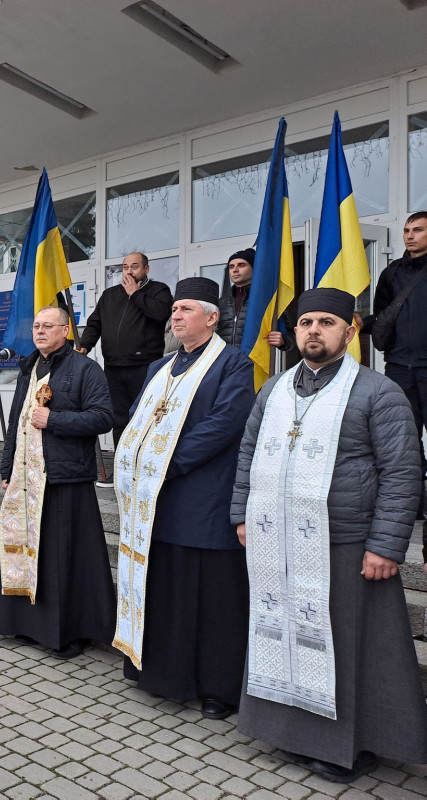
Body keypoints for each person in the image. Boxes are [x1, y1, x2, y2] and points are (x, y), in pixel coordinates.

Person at [231, 287, 427, 783]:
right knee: (287, 635)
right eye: (305, 323)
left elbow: (403, 472)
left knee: (348, 647)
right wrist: (241, 516)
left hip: (347, 541)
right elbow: (248, 458)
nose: (313, 330)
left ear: (350, 329)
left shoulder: (378, 392)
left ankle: (354, 746)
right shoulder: (273, 390)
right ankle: (290, 733)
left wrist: (386, 544)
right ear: (294, 332)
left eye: (325, 322)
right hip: (278, 541)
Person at [113, 277, 255, 721]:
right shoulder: (159, 368)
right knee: (166, 589)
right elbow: (138, 418)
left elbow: (225, 423)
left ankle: (217, 688)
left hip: (204, 498)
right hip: (156, 504)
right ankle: (159, 673)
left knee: (212, 598)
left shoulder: (234, 364)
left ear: (212, 318)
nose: (176, 316)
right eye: (174, 309)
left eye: (187, 309)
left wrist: (166, 465)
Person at [0, 306, 116, 657]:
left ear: (65, 330)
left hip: (65, 479)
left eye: (48, 326)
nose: (40, 331)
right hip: (26, 478)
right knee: (31, 550)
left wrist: (55, 419)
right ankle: (24, 624)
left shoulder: (85, 368)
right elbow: (17, 422)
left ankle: (69, 633)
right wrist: (6, 469)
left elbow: (104, 417)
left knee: (62, 558)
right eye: (36, 326)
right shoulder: (29, 366)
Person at [77, 252, 174, 465]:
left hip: (145, 367)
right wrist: (85, 346)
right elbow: (95, 323)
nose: (129, 271)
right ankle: (123, 465)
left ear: (146, 269)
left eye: (135, 266)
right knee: (119, 419)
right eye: (125, 267)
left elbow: (161, 314)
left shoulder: (159, 291)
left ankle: (145, 464)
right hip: (114, 367)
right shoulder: (110, 294)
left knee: (144, 417)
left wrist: (135, 294)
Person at [360, 212, 427, 513]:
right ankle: (414, 501)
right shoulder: (391, 273)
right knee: (405, 438)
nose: (410, 235)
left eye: (418, 230)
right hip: (399, 367)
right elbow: (382, 317)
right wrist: (360, 323)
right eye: (406, 230)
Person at [217, 248, 294, 351]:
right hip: (224, 363)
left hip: (253, 363)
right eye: (231, 266)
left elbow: (291, 337)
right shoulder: (220, 302)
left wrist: (283, 341)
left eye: (241, 265)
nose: (235, 270)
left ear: (254, 268)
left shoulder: (268, 300)